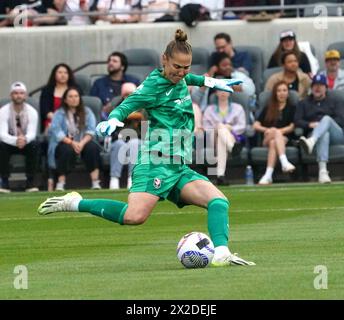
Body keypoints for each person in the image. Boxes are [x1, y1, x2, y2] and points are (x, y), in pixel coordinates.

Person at [38, 29, 255, 267]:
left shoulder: (181, 79)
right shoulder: (152, 86)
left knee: (218, 202)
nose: (181, 73)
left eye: (186, 67)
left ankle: (222, 253)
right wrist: (113, 119)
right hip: (155, 163)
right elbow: (129, 103)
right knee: (134, 217)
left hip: (178, 167)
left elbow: (191, 80)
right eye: (176, 67)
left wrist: (212, 81)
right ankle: (75, 202)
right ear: (164, 59)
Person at [47, 87, 102, 191]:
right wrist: (72, 143)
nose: (74, 99)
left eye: (76, 96)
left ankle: (95, 182)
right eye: (70, 96)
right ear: (65, 100)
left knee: (92, 148)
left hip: (83, 141)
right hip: (65, 142)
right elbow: (57, 131)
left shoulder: (87, 112)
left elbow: (91, 130)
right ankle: (61, 182)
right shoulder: (59, 113)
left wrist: (81, 143)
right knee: (65, 149)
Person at [296, 74, 344, 183]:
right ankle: (323, 172)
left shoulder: (336, 100)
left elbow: (341, 119)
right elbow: (297, 121)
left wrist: (322, 124)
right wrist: (310, 125)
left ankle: (312, 141)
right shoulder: (303, 103)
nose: (317, 88)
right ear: (311, 88)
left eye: (321, 85)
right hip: (314, 131)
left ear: (326, 88)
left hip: (337, 135)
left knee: (326, 119)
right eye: (315, 85)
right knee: (324, 134)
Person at [253, 81, 297, 185]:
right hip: (267, 138)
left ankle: (268, 175)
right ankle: (284, 162)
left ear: (288, 93)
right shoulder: (269, 107)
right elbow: (255, 125)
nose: (282, 93)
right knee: (274, 135)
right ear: (275, 93)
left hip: (284, 139)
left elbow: (292, 126)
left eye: (284, 90)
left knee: (274, 142)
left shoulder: (292, 108)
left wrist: (278, 131)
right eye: (279, 91)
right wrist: (267, 130)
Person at [0, 82, 39, 193]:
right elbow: (2, 134)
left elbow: (32, 134)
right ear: (11, 95)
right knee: (1, 146)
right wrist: (16, 140)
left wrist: (24, 139)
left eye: (21, 93)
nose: (18, 95)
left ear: (25, 96)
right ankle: (5, 183)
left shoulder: (32, 112)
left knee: (35, 145)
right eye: (15, 93)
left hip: (26, 142)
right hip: (9, 142)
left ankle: (30, 183)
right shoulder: (3, 111)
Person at [203, 89, 246, 185]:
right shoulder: (209, 109)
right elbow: (206, 128)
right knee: (219, 126)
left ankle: (220, 176)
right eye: (220, 90)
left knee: (221, 138)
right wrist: (220, 127)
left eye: (225, 90)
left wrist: (229, 128)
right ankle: (232, 147)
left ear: (229, 92)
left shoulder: (238, 108)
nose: (223, 92)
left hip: (232, 136)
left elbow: (242, 126)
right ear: (216, 93)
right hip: (213, 137)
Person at [108, 82, 144, 190]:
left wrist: (140, 118)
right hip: (119, 139)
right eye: (126, 94)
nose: (129, 97)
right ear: (123, 96)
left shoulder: (143, 108)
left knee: (134, 143)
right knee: (119, 144)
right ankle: (114, 179)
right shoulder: (116, 109)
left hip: (138, 139)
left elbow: (147, 129)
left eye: (132, 94)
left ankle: (132, 178)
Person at [90, 51, 140, 120]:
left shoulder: (133, 81)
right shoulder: (98, 83)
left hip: (130, 118)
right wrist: (103, 109)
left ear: (122, 67)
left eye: (114, 61)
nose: (110, 63)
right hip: (106, 120)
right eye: (109, 61)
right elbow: (93, 106)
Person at [40, 63, 79, 134]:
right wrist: (58, 119)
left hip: (73, 120)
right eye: (60, 72)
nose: (63, 75)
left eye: (65, 73)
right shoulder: (47, 90)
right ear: (54, 75)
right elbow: (45, 110)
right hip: (52, 120)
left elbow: (80, 107)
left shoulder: (76, 89)